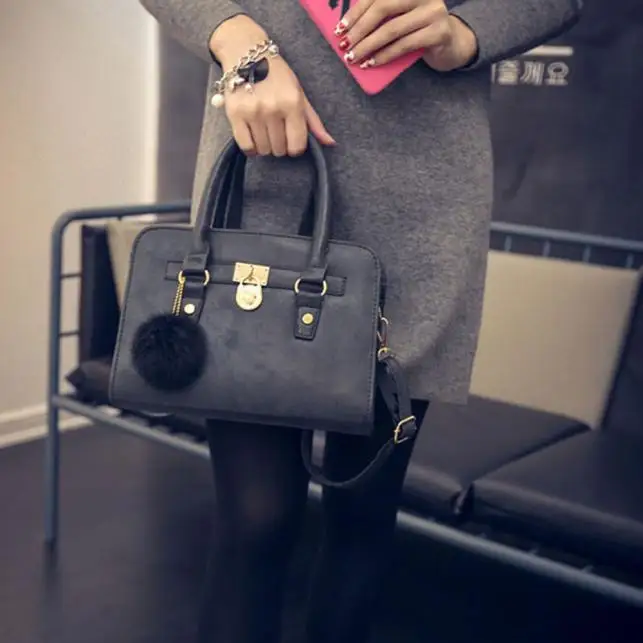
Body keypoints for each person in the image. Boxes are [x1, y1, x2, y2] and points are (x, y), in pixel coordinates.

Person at [140, 1, 582, 642]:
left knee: (363, 515)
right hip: (267, 161)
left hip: (421, 194)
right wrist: (236, 38)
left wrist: (464, 33)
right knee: (255, 519)